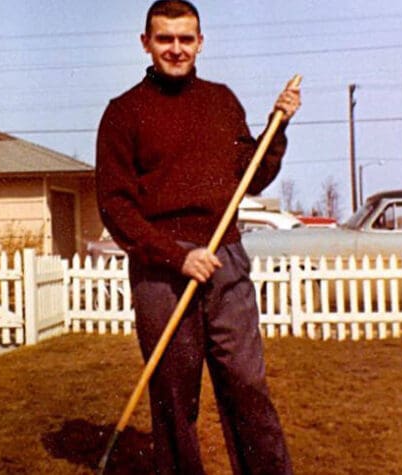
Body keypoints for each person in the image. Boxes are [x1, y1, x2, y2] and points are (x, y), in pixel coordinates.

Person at [95, 1, 301, 473]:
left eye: (185, 39)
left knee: (246, 384)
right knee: (172, 396)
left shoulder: (222, 101)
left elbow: (250, 176)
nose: (175, 48)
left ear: (200, 43)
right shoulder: (124, 113)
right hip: (162, 272)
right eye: (164, 38)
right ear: (145, 43)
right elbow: (115, 206)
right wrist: (175, 256)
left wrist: (278, 126)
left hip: (225, 256)